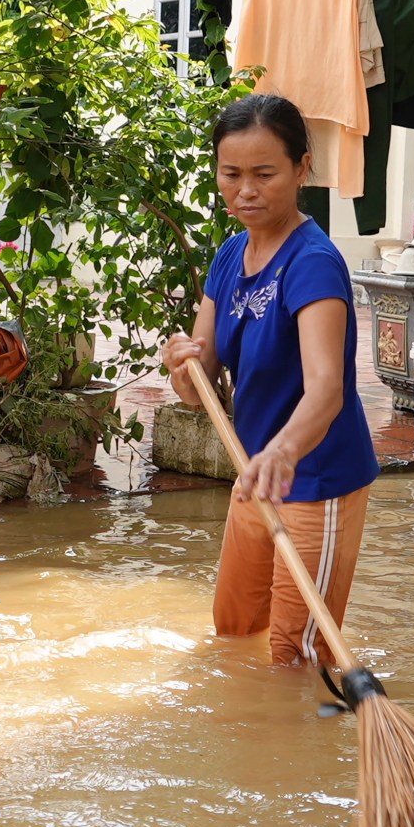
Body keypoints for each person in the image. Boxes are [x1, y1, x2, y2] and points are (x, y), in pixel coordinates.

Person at [163, 94, 381, 667]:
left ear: (302, 168)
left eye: (265, 174)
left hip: (315, 477)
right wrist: (182, 364)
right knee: (232, 632)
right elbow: (200, 386)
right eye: (231, 175)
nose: (246, 191)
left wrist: (284, 450)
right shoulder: (230, 255)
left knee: (296, 657)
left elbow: (327, 387)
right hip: (256, 475)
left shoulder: (313, 262)